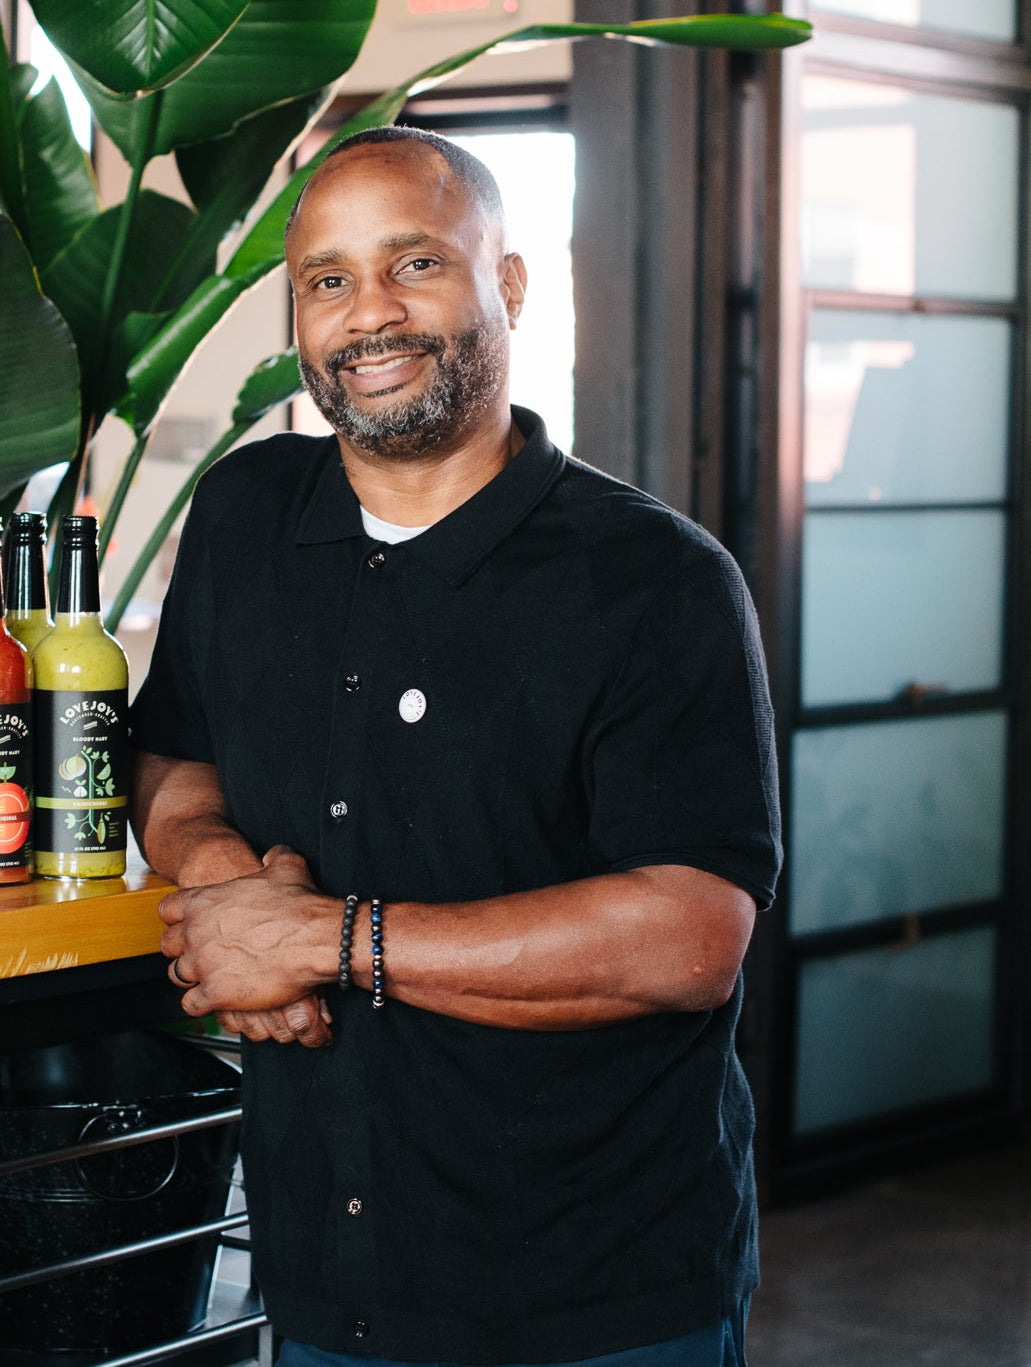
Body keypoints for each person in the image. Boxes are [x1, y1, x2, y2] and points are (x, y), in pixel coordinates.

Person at [130, 126, 781, 1367]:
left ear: (509, 287)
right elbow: (174, 749)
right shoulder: (242, 513)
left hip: (595, 1289)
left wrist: (318, 940)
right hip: (330, 1279)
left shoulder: (652, 578)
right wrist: (224, 887)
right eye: (326, 280)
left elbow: (690, 935)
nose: (366, 314)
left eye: (412, 264)